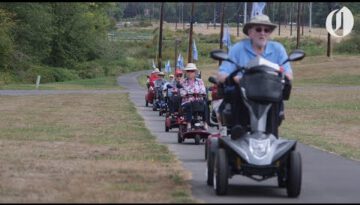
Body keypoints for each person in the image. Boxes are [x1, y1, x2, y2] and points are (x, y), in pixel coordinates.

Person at [217, 14, 293, 137]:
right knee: (235, 92)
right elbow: (222, 74)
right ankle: (238, 133)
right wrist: (235, 78)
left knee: (277, 97)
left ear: (269, 33)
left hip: (269, 93)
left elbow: (288, 73)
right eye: (258, 29)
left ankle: (272, 136)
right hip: (244, 93)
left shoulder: (278, 49)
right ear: (250, 32)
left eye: (266, 30)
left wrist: (285, 76)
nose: (262, 33)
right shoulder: (238, 48)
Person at [180, 63, 209, 131]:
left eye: (192, 71)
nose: (190, 73)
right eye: (188, 71)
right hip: (187, 101)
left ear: (195, 72)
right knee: (189, 104)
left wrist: (197, 93)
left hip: (198, 101)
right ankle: (189, 123)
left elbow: (203, 90)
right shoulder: (183, 82)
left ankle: (205, 123)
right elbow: (182, 92)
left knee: (205, 105)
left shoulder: (200, 81)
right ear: (186, 72)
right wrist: (188, 93)